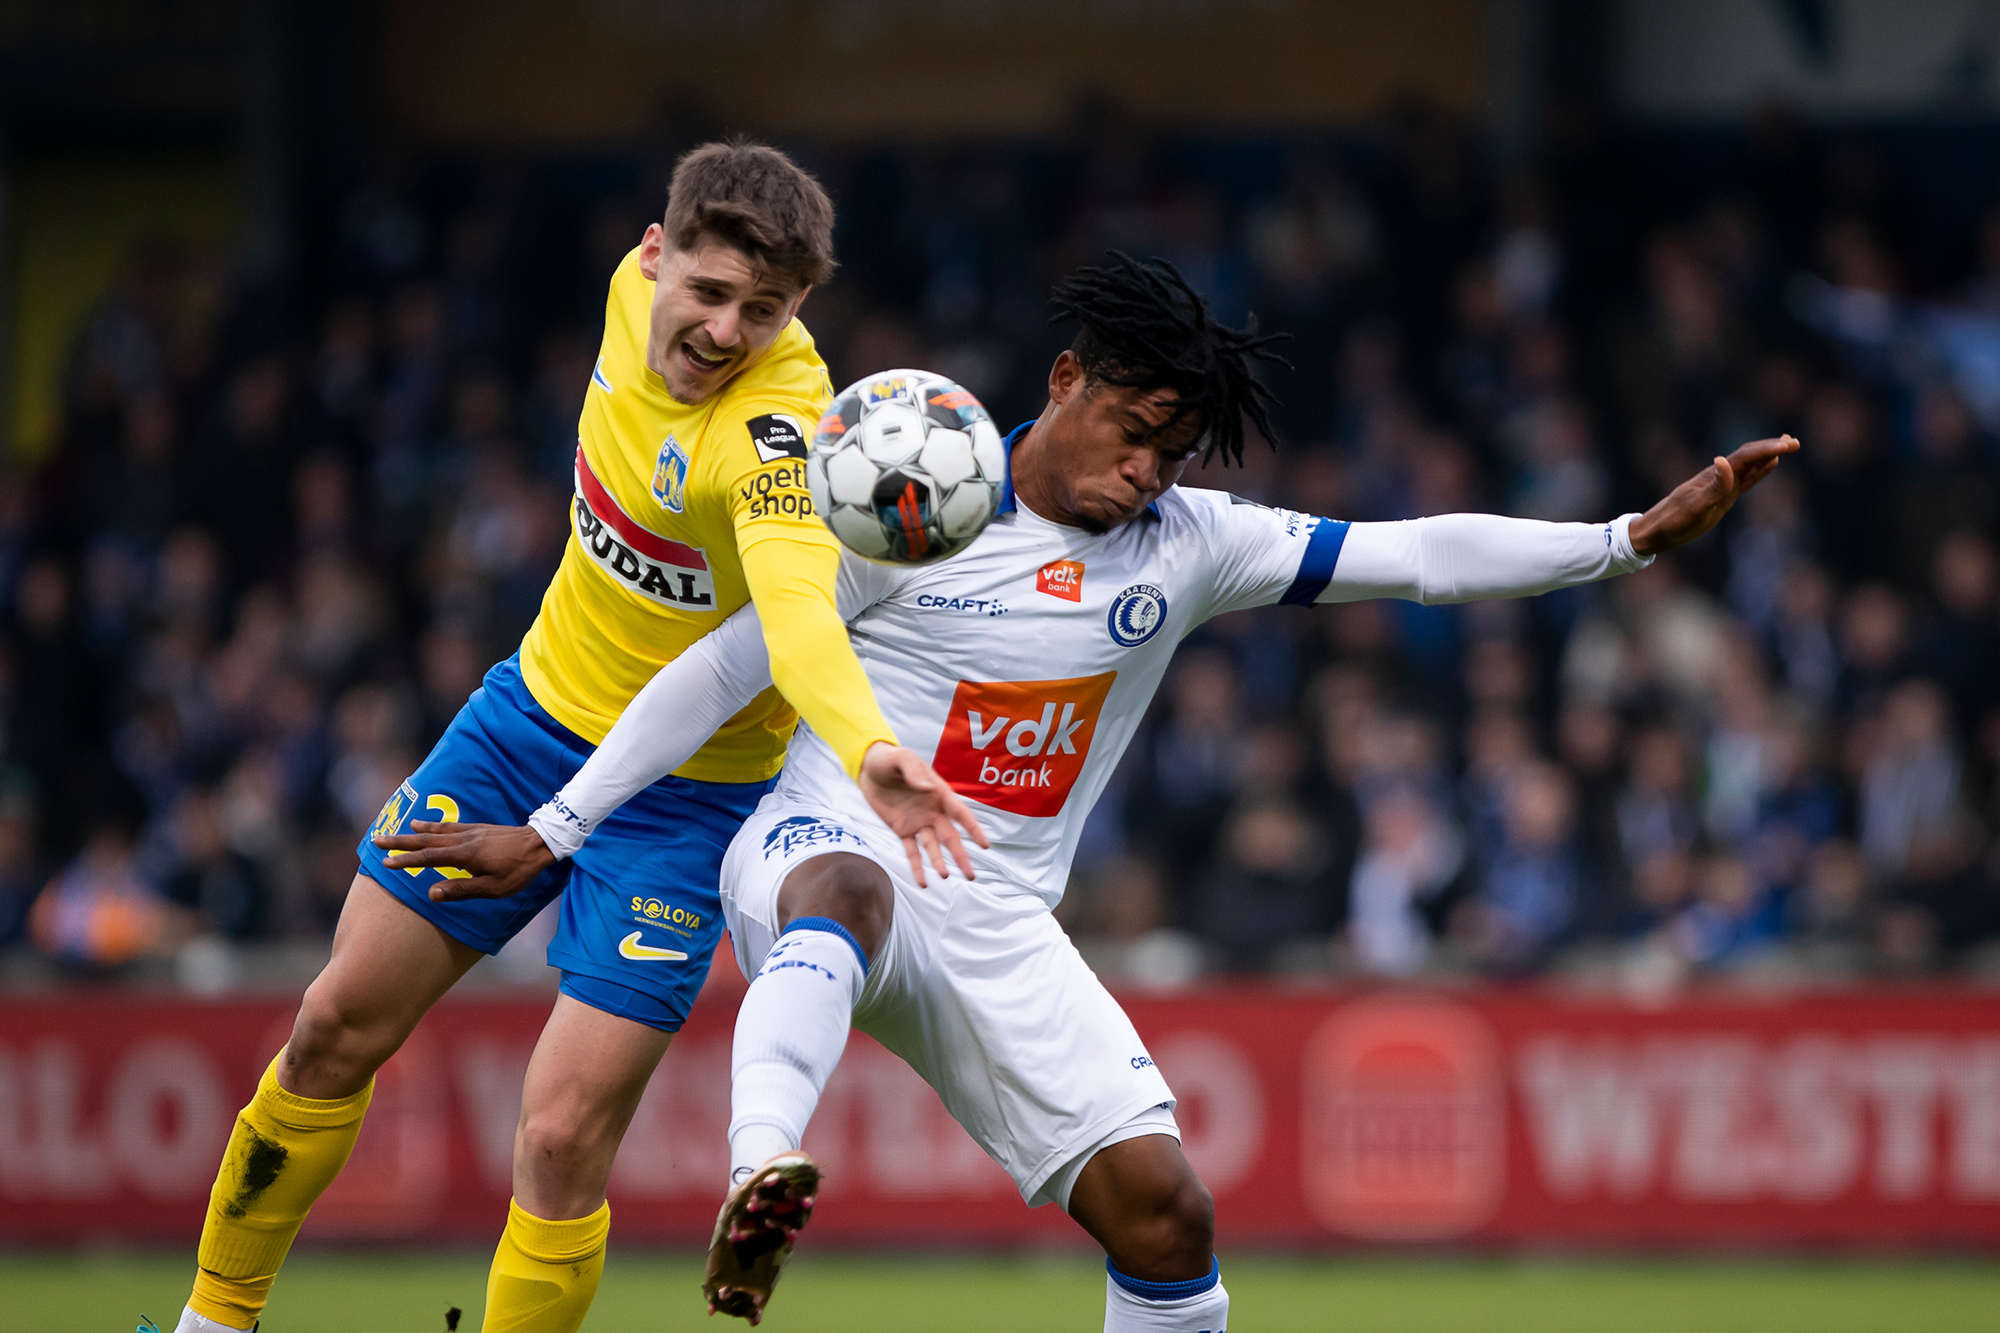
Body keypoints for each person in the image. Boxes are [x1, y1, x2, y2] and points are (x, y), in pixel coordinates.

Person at [389, 253, 1797, 1332]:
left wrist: (1623, 541)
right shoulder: (905, 504)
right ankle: (765, 1167)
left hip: (995, 910)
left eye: (1174, 452)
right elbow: (722, 670)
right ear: (1066, 381)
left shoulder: (1191, 546)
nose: (1148, 470)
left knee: (1167, 1217)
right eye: (1132, 430)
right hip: (825, 834)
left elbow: (1414, 551)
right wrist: (563, 829)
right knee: (846, 885)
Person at [165, 140, 980, 1333]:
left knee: (557, 1134)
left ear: (800, 310)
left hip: (686, 800)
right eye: (705, 294)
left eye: (764, 313)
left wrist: (865, 747)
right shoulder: (621, 293)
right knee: (333, 1024)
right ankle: (210, 1321)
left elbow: (799, 614)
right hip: (521, 723)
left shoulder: (775, 446)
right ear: (654, 258)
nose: (721, 332)